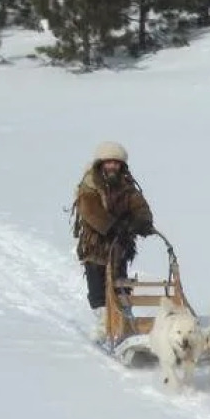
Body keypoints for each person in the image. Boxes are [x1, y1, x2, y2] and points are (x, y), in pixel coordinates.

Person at [71, 141, 155, 338]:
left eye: (116, 163)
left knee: (120, 286)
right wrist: (113, 226)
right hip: (95, 246)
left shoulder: (126, 185)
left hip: (120, 248)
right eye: (109, 162)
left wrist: (142, 222)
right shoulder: (89, 185)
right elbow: (90, 211)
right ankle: (104, 326)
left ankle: (123, 322)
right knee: (98, 290)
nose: (112, 166)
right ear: (101, 164)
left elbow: (140, 206)